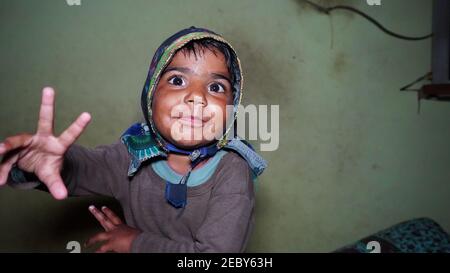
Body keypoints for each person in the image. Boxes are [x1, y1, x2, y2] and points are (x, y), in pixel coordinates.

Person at [0, 26, 266, 253]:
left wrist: (136, 243)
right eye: (177, 80)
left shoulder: (232, 172)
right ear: (151, 95)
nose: (197, 97)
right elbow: (81, 169)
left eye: (216, 87)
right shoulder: (133, 153)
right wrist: (34, 165)